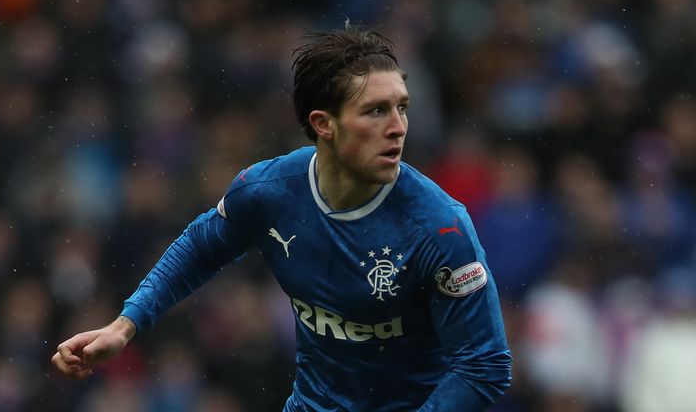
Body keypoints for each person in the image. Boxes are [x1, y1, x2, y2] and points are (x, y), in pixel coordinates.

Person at [51, 23, 512, 411]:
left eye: (401, 107)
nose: (398, 126)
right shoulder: (268, 192)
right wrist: (125, 324)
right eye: (375, 111)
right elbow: (200, 247)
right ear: (323, 124)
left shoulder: (439, 227)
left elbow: (485, 366)